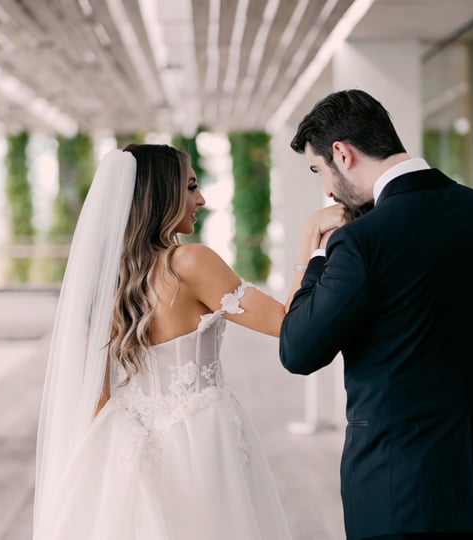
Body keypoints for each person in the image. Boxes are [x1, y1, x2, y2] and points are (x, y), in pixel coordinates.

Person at [279, 89, 473, 540]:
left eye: (320, 171)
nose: (327, 190)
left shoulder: (358, 243)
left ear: (343, 153)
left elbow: (298, 349)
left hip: (398, 497)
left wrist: (315, 255)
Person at [33, 144, 347, 539]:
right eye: (191, 187)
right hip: (200, 435)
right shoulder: (190, 262)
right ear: (160, 195)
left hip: (125, 437)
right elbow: (286, 322)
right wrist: (311, 244)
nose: (201, 199)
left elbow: (96, 401)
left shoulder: (102, 280)